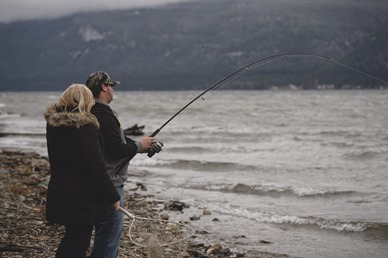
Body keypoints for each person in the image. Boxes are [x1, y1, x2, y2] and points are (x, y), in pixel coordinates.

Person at [85, 71, 163, 258]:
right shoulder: (103, 114)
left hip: (97, 181)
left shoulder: (93, 112)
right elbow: (114, 149)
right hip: (109, 183)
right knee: (109, 235)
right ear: (104, 87)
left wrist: (142, 146)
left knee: (104, 234)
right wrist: (137, 146)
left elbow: (115, 141)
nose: (113, 89)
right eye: (112, 86)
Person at [44, 84, 121, 258]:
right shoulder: (85, 129)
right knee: (79, 241)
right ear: (85, 101)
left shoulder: (54, 125)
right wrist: (112, 197)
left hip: (61, 191)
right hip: (81, 198)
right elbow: (96, 167)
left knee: (72, 237)